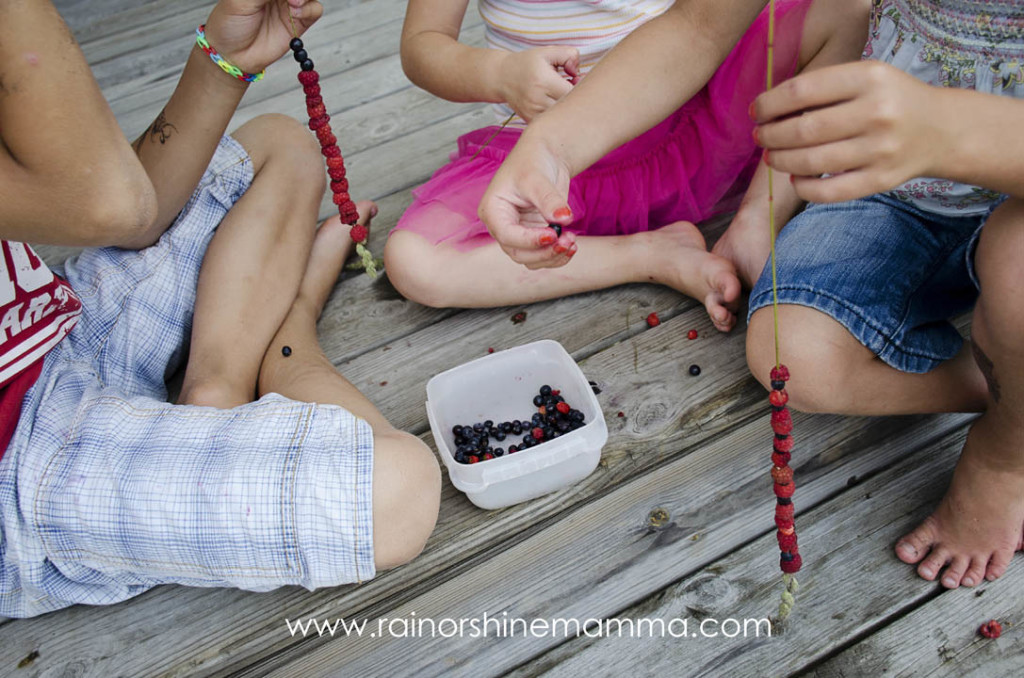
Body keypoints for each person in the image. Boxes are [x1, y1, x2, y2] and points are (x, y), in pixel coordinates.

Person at [480, 0, 1024, 590]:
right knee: (795, 361)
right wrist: (554, 146)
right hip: (885, 189)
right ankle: (1006, 392)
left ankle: (1004, 452)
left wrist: (950, 131)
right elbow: (698, 26)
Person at [0, 0, 439, 618]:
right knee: (398, 492)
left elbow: (132, 211)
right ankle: (292, 324)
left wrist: (224, 58)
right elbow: (110, 203)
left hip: (47, 332)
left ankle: (216, 395)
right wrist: (299, 300)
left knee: (281, 145)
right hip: (18, 466)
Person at [384, 0, 829, 332]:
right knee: (416, 261)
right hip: (553, 168)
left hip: (690, 126)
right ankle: (649, 253)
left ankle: (757, 216)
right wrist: (499, 72)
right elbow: (422, 46)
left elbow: (700, 28)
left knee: (838, 10)